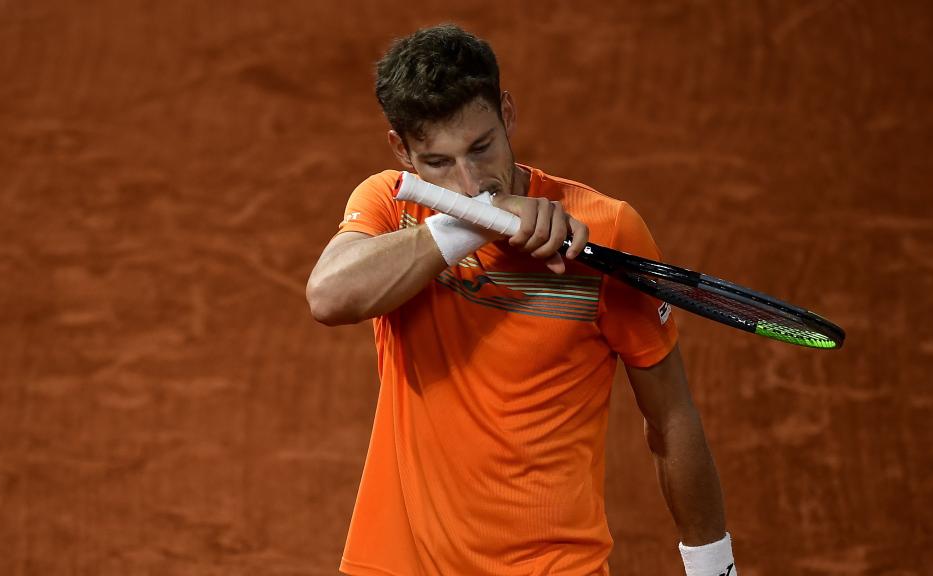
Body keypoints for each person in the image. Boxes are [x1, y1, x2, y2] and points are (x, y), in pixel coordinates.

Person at [307, 24, 736, 576]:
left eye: (481, 148)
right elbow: (328, 295)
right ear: (402, 152)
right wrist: (476, 225)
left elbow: (670, 417)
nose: (468, 181)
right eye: (438, 162)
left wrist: (714, 569)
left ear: (508, 114)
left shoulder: (607, 229)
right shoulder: (391, 207)